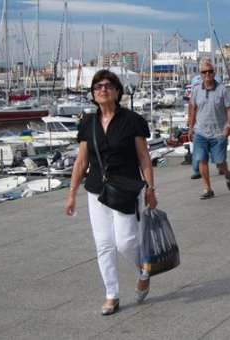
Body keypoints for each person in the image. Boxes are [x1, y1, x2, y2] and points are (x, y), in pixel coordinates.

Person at [64, 69, 157, 315]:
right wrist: (72, 193)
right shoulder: (88, 123)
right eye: (97, 87)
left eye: (108, 85)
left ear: (117, 91)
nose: (102, 89)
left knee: (125, 242)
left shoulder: (132, 121)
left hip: (126, 187)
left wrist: (150, 188)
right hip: (96, 188)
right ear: (93, 94)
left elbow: (144, 157)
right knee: (104, 244)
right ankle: (111, 294)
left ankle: (143, 271)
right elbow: (81, 162)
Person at [188, 61, 230, 199]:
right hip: (201, 131)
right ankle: (208, 189)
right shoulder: (196, 89)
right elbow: (193, 108)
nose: (207, 74)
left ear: (214, 73)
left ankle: (227, 174)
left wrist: (228, 126)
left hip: (219, 132)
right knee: (201, 159)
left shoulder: (221, 89)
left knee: (220, 162)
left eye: (210, 71)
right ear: (200, 75)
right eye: (204, 72)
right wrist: (191, 128)